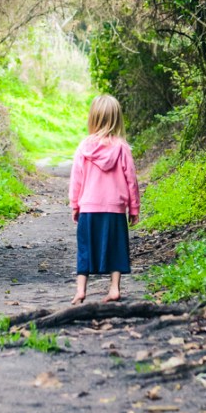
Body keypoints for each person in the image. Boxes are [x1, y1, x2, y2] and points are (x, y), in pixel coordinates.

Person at [69, 94, 140, 304]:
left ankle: (81, 290)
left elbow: (76, 180)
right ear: (117, 119)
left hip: (89, 207)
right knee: (116, 247)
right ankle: (114, 288)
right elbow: (131, 180)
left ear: (93, 118)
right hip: (115, 209)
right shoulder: (122, 147)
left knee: (85, 248)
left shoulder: (84, 147)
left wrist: (75, 205)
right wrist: (134, 208)